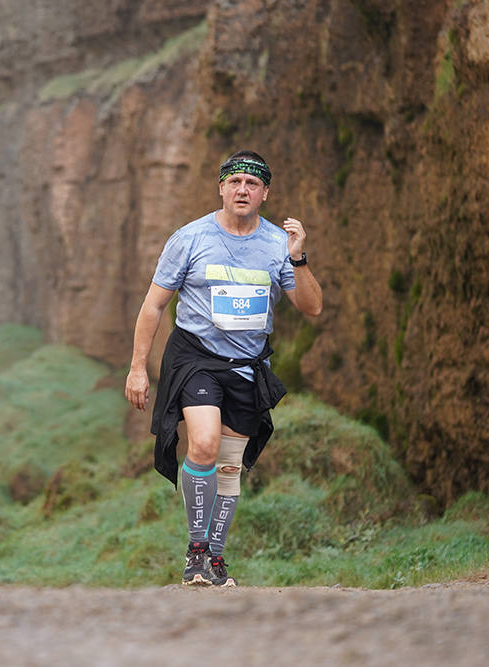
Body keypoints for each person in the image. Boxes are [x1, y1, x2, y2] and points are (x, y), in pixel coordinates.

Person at [124, 151, 322, 586]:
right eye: (234, 182)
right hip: (195, 358)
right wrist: (138, 367)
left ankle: (215, 559)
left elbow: (312, 306)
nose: (242, 190)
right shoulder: (190, 238)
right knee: (206, 444)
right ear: (221, 188)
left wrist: (298, 258)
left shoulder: (277, 244)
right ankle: (196, 551)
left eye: (252, 184)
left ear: (265, 193)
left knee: (230, 466)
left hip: (247, 364)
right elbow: (154, 305)